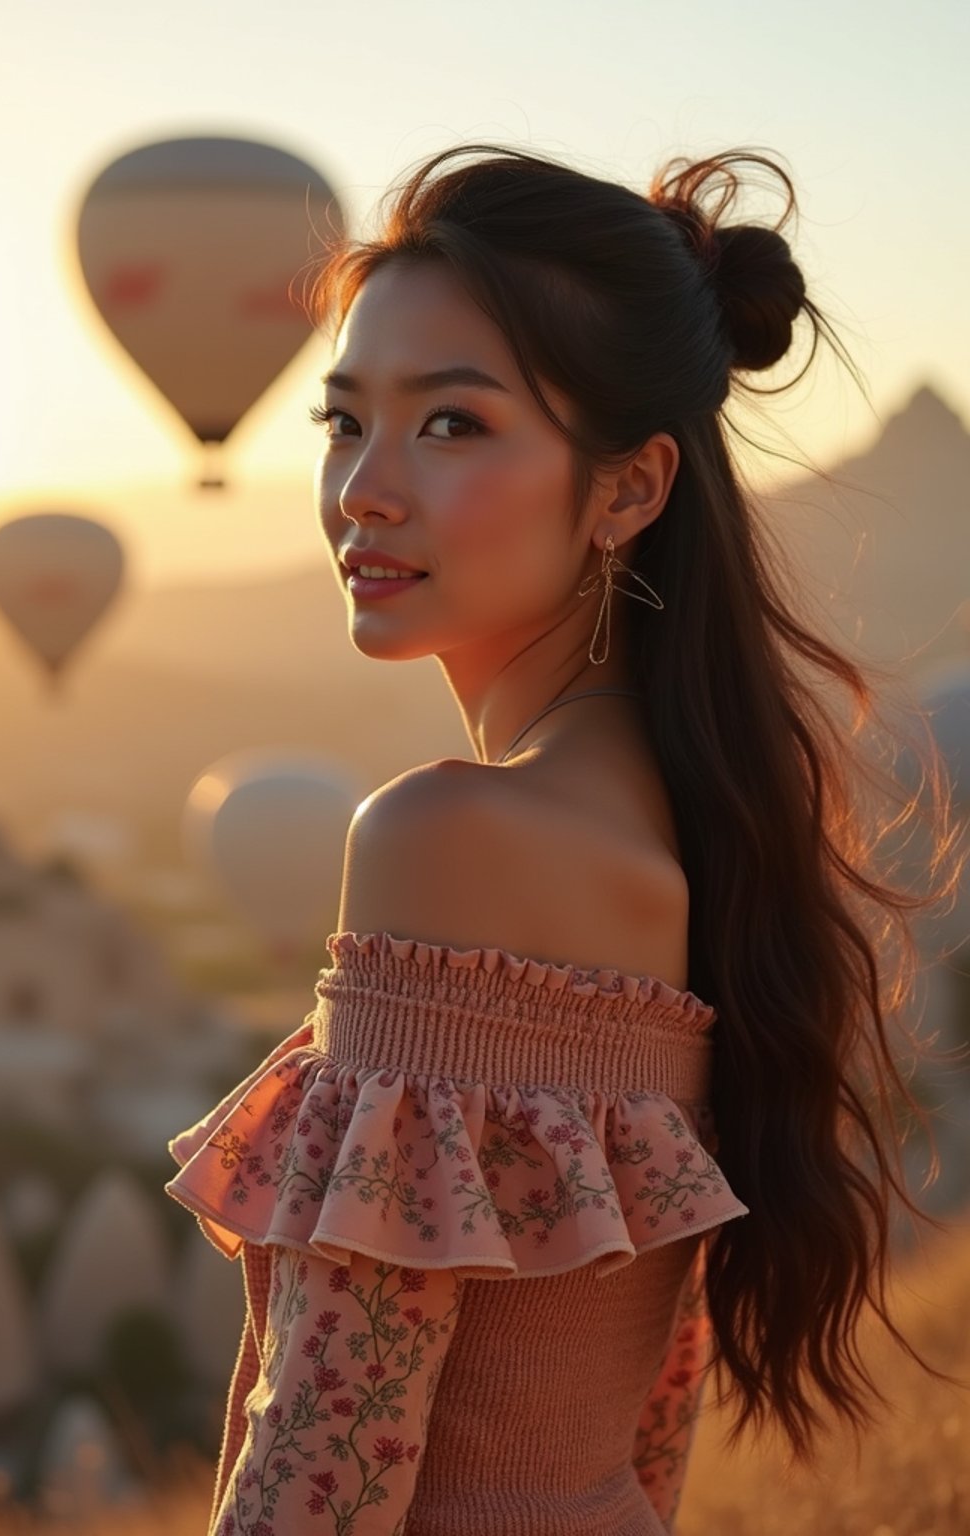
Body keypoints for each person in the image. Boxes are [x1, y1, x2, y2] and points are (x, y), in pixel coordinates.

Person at [165, 142, 967, 1535]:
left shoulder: (447, 834)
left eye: (453, 424)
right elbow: (649, 1408)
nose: (364, 487)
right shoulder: (699, 825)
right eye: (343, 420)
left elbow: (332, 1441)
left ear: (626, 491)